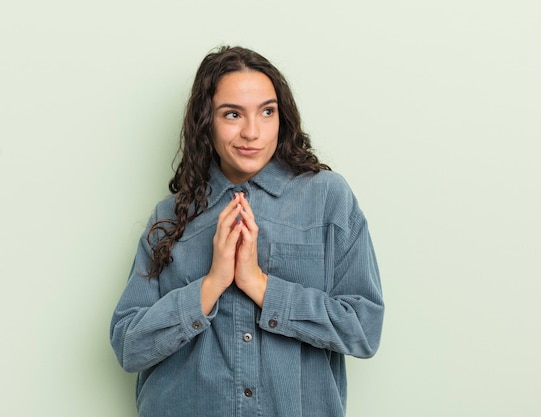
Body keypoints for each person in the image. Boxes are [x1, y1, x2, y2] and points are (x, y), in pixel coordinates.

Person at [110, 45, 384, 417]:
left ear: (281, 117)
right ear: (206, 121)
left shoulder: (327, 198)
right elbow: (129, 345)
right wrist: (211, 285)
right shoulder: (171, 216)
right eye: (232, 114)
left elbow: (363, 329)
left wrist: (258, 284)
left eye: (266, 112)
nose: (252, 132)